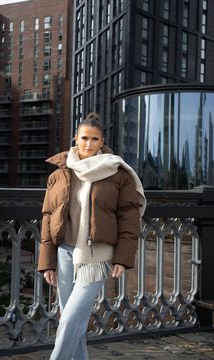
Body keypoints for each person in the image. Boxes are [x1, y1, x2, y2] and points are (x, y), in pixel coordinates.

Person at [37, 112, 146, 360]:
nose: (88, 144)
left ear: (102, 141)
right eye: (84, 138)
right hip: (64, 251)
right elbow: (47, 217)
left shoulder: (117, 173)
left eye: (94, 139)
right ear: (76, 139)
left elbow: (129, 218)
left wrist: (122, 258)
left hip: (97, 256)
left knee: (71, 319)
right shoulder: (59, 174)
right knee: (72, 322)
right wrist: (47, 262)